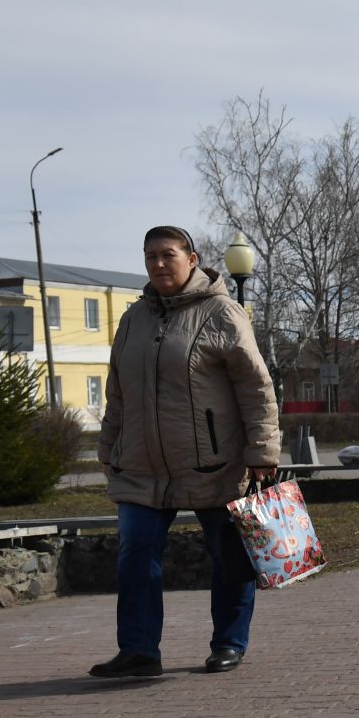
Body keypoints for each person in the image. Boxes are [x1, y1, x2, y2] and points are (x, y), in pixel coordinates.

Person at [90, 226, 279, 679]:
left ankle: (229, 642)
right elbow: (118, 390)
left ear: (192, 259)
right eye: (150, 256)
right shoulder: (134, 318)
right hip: (141, 465)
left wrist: (263, 449)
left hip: (215, 461)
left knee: (229, 557)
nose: (158, 264)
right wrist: (108, 444)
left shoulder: (222, 312)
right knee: (135, 554)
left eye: (167, 254)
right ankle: (138, 651)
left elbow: (255, 387)